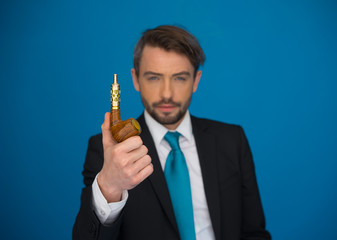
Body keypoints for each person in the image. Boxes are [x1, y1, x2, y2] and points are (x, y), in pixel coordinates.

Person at [73, 25, 271, 240]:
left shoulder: (232, 140)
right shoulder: (108, 153)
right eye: (154, 78)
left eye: (179, 78)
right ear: (135, 79)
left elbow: (254, 233)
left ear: (196, 80)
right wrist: (109, 186)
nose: (167, 94)